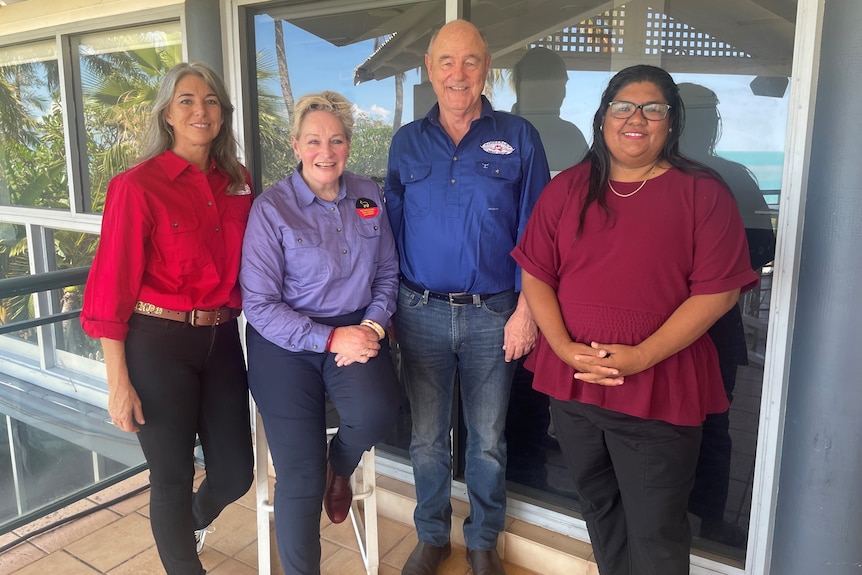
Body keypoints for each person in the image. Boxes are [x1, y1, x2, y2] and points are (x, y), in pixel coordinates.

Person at [511, 65, 760, 575]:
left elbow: (720, 292)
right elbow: (537, 274)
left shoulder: (702, 192)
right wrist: (559, 345)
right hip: (575, 385)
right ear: (603, 118)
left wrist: (642, 355)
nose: (637, 119)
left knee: (657, 529)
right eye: (623, 107)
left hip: (658, 388)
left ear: (672, 122)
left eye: (653, 109)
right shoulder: (568, 188)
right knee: (600, 510)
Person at [385, 20, 550, 575]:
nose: (459, 74)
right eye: (447, 62)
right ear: (430, 69)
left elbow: (539, 233)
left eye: (471, 61)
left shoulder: (520, 136)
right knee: (427, 440)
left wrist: (527, 312)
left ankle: (483, 542)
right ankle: (432, 536)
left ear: (487, 69)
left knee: (487, 442)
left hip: (494, 314)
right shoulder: (406, 141)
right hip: (420, 311)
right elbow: (387, 230)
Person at [80, 61, 254, 575]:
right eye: (187, 100)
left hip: (221, 338)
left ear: (222, 115)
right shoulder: (137, 186)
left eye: (211, 101)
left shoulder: (238, 182)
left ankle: (192, 521)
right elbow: (110, 288)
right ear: (168, 114)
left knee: (235, 473)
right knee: (171, 476)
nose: (201, 110)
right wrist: (118, 383)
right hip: (155, 343)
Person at [240, 90, 402, 575]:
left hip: (356, 328)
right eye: (313, 141)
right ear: (295, 145)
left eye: (335, 140)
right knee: (300, 477)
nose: (325, 151)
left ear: (348, 144)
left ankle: (342, 465)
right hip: (284, 344)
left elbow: (388, 272)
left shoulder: (368, 195)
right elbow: (260, 305)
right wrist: (331, 339)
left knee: (378, 412)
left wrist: (371, 326)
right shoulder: (272, 209)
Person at [678, 82, 776, 546]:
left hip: (714, 325)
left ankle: (709, 518)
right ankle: (687, 518)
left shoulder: (731, 177)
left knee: (711, 422)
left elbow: (763, 245)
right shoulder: (644, 177)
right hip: (659, 326)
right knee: (685, 426)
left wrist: (710, 272)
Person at [511, 46, 589, 172]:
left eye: (563, 85)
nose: (563, 94)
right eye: (555, 85)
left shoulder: (571, 137)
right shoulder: (497, 133)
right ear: (522, 87)